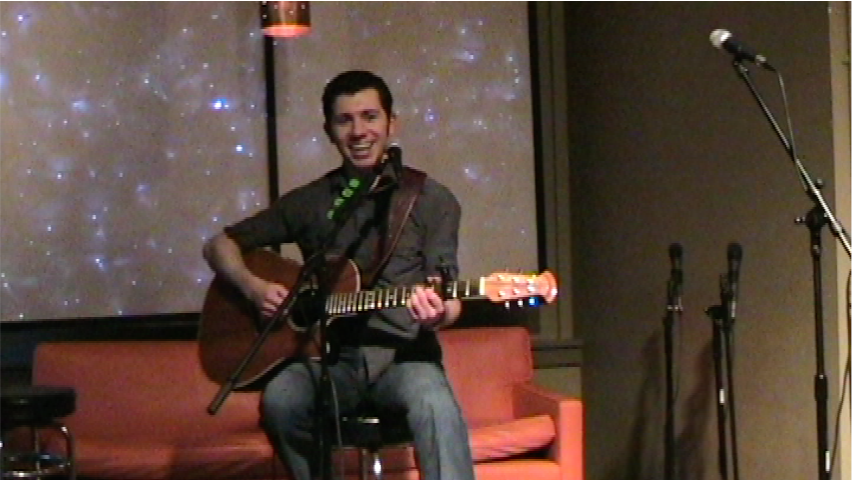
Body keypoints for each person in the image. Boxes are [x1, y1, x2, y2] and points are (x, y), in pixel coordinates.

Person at [202, 69, 476, 480]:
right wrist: (254, 287)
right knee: (281, 400)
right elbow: (219, 245)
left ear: (391, 124)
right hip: (329, 360)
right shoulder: (312, 202)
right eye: (345, 120)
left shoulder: (432, 200)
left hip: (404, 358)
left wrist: (438, 313)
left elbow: (448, 294)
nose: (359, 131)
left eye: (370, 117)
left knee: (434, 403)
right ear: (329, 131)